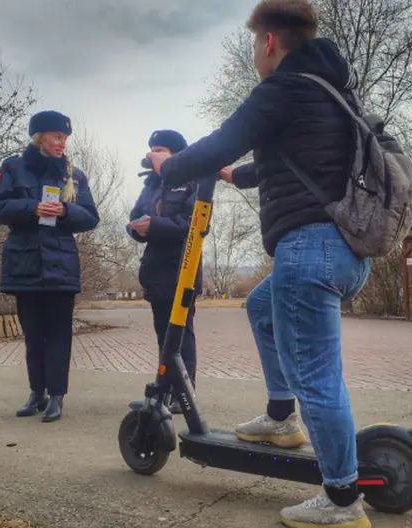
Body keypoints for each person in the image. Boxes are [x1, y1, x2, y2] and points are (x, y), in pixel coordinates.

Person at [146, 1, 372, 526]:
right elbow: (291, 158)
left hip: (307, 249)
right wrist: (233, 176)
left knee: (317, 378)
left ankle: (341, 500)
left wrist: (168, 166)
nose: (254, 56)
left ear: (269, 41)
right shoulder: (331, 91)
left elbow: (223, 139)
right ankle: (279, 416)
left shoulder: (284, 87)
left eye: (254, 45)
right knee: (260, 305)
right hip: (345, 250)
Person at [0, 110, 99, 423]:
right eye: (57, 136)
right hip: (25, 263)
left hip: (62, 265)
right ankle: (37, 392)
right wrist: (32, 208)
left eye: (65, 138)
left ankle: (57, 396)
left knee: (59, 334)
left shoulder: (74, 175)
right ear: (40, 136)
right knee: (33, 334)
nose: (63, 143)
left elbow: (91, 217)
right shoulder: (12, 168)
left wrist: (64, 211)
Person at [128, 130, 201, 414]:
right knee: (163, 334)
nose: (152, 154)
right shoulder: (150, 185)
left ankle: (185, 394)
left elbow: (191, 224)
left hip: (182, 267)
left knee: (183, 335)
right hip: (155, 269)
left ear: (175, 155)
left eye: (161, 149)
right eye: (152, 149)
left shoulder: (192, 183)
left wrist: (154, 226)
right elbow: (135, 216)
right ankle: (165, 388)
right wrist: (136, 228)